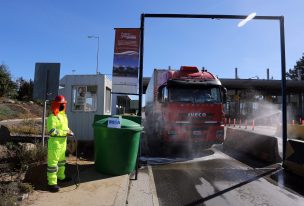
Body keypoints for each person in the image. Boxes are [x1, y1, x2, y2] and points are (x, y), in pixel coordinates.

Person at [47, 95, 74, 192]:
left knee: (62, 162)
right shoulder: (52, 117)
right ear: (56, 105)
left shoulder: (63, 116)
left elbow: (65, 128)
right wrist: (64, 133)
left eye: (63, 104)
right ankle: (52, 183)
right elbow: (52, 131)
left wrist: (70, 131)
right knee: (53, 165)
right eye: (60, 104)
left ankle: (61, 177)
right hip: (54, 144)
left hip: (62, 143)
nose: (62, 106)